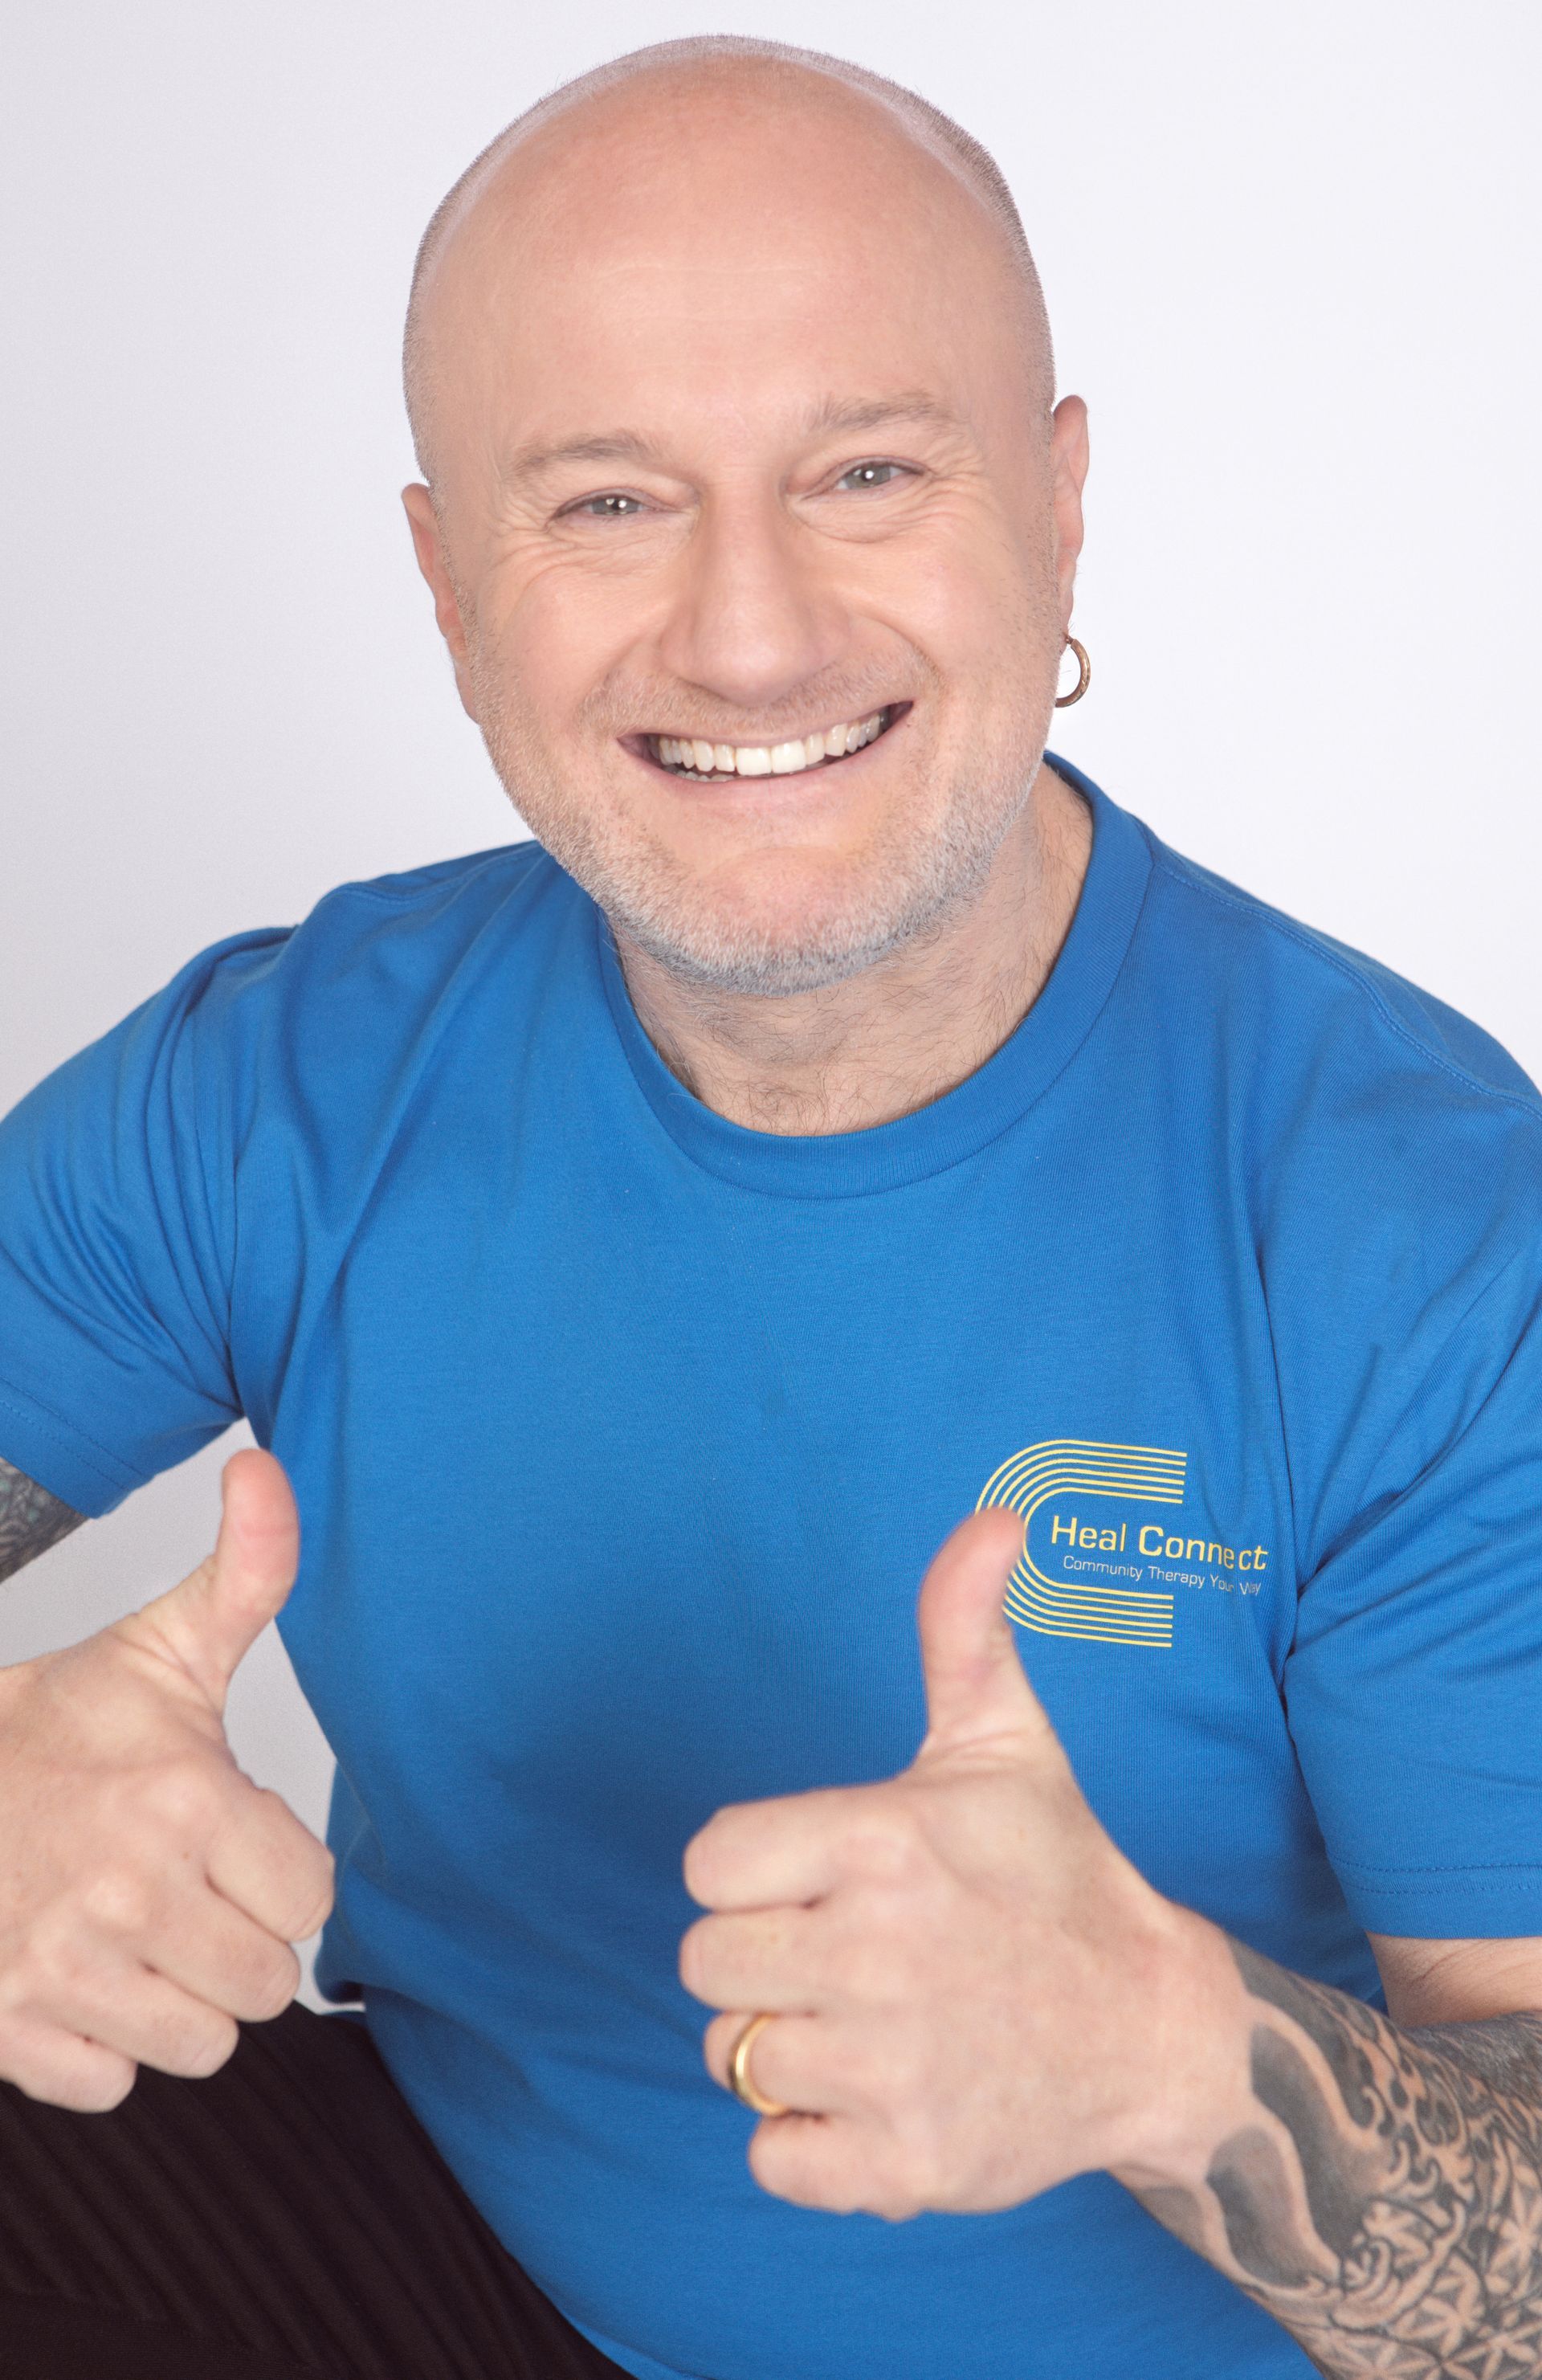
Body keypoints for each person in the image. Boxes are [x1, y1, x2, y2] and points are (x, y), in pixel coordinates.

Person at [1, 31, 1540, 2380]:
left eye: (868, 470)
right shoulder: (290, 1082)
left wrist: (1158, 2047)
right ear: (444, 575)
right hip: (478, 2269)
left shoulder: (1413, 1224)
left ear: (1061, 504)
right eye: (608, 502)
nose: (746, 632)